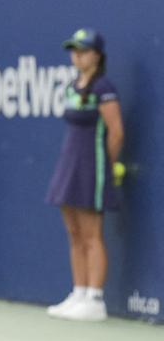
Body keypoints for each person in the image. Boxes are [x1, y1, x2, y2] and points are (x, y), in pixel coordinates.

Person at [45, 29, 124, 322]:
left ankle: (95, 299)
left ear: (97, 56)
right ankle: (78, 293)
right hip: (69, 164)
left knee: (92, 234)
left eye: (83, 51)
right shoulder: (71, 87)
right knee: (74, 232)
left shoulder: (104, 88)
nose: (77, 56)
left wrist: (105, 165)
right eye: (74, 50)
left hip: (93, 167)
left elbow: (116, 132)